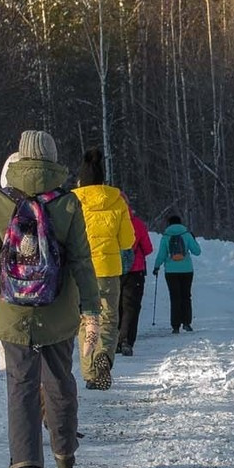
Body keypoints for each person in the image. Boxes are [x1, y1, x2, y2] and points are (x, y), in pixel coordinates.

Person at [0, 130, 102, 468]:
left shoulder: (0, 201)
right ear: (52, 160)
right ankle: (65, 453)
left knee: (21, 384)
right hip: (58, 310)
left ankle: (26, 465)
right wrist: (91, 311)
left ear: (21, 159)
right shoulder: (69, 203)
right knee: (59, 381)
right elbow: (83, 263)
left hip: (12, 310)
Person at [72, 148, 134, 389]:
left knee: (85, 320)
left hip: (80, 270)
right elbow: (128, 241)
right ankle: (104, 358)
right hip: (108, 270)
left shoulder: (73, 201)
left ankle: (89, 374)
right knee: (108, 319)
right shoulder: (116, 201)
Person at [156, 212, 202, 331]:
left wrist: (156, 266)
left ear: (169, 224)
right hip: (187, 270)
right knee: (186, 296)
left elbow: (162, 254)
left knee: (174, 297)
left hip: (171, 271)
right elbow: (197, 251)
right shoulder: (186, 234)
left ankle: (175, 326)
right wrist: (193, 239)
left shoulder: (166, 236)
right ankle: (187, 323)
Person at [116, 209, 152, 356]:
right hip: (135, 271)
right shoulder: (137, 223)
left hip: (113, 269)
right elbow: (148, 249)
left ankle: (113, 341)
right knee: (131, 307)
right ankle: (126, 341)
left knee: (114, 306)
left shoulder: (110, 221)